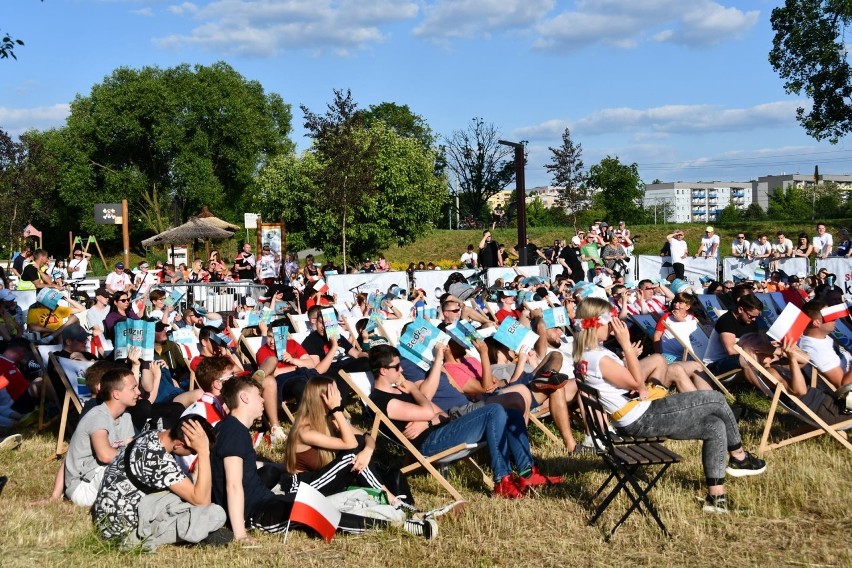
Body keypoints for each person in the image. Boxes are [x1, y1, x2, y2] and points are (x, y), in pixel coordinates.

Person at [572, 297, 766, 514]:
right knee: (715, 399)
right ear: (597, 323)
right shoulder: (600, 358)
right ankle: (739, 456)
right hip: (641, 418)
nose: (616, 325)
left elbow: (621, 382)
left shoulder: (587, 355)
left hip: (634, 415)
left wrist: (631, 363)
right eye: (612, 320)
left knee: (713, 426)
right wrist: (626, 346)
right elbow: (636, 382)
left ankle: (716, 499)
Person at [211, 375, 438, 541]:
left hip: (268, 500)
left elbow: (362, 440)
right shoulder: (233, 431)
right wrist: (240, 534)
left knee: (325, 510)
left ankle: (403, 516)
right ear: (244, 397)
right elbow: (232, 484)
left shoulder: (232, 430)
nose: (263, 400)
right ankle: (402, 523)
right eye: (258, 395)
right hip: (257, 513)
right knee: (322, 515)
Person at [368, 344, 563, 499]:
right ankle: (501, 481)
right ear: (383, 371)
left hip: (442, 429)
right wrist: (415, 393)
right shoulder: (382, 400)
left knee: (511, 412)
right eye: (396, 366)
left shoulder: (399, 391)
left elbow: (439, 415)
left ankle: (527, 473)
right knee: (494, 410)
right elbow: (428, 410)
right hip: (430, 444)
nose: (401, 369)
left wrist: (427, 421)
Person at [92, 415, 229, 549]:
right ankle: (195, 533)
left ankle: (196, 529)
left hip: (111, 517)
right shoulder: (159, 460)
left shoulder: (152, 434)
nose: (193, 455)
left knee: (185, 494)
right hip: (123, 534)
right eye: (193, 452)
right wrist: (203, 452)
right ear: (178, 445)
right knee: (215, 514)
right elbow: (202, 502)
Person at [281, 375, 411, 506]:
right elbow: (351, 444)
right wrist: (337, 410)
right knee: (352, 456)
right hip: (302, 488)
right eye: (337, 395)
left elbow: (366, 437)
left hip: (321, 482)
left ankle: (394, 500)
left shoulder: (327, 420)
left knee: (359, 448)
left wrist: (366, 452)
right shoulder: (305, 431)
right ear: (324, 399)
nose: (341, 398)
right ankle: (394, 502)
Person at [64, 367, 138, 506]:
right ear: (116, 394)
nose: (138, 392)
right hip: (83, 487)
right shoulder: (98, 416)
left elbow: (129, 448)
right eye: (133, 388)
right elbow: (105, 455)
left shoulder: (125, 417)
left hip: (101, 475)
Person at [738, 333, 850, 426]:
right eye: (765, 344)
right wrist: (791, 359)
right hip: (828, 412)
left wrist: (780, 351)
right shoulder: (769, 373)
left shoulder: (774, 367)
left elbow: (805, 359)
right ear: (758, 352)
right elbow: (800, 391)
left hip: (829, 404)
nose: (770, 346)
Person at [703, 294, 763, 377]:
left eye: (756, 316)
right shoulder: (726, 321)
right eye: (751, 316)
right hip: (715, 365)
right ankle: (765, 389)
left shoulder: (751, 322)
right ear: (740, 309)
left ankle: (775, 385)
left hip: (737, 361)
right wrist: (754, 352)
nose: (754, 319)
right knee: (746, 359)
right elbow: (731, 350)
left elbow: (756, 344)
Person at [798, 300, 852, 388]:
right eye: (830, 317)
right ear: (817, 322)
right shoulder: (814, 349)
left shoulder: (825, 335)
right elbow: (843, 385)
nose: (835, 319)